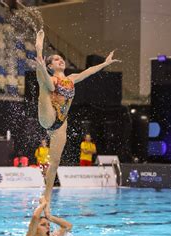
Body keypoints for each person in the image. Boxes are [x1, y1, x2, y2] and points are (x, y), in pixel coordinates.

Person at [33, 29, 120, 210]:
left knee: (55, 162)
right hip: (47, 114)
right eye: (56, 59)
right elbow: (49, 85)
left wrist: (105, 63)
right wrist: (41, 65)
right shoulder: (50, 78)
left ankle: (46, 199)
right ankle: (38, 51)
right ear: (51, 66)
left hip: (60, 124)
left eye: (61, 58)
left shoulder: (72, 79)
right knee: (45, 85)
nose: (60, 60)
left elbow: (89, 71)